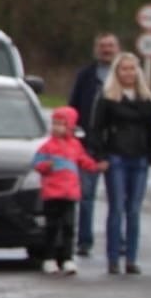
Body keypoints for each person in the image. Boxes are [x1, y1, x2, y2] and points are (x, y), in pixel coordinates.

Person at [89, 51, 151, 275]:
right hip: (116, 157)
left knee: (134, 210)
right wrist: (99, 156)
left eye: (132, 69)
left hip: (139, 159)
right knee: (117, 208)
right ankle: (112, 258)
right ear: (117, 72)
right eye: (124, 69)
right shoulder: (107, 98)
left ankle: (131, 258)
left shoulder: (146, 99)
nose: (128, 73)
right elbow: (95, 129)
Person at [34, 107, 106, 275]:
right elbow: (37, 163)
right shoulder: (47, 146)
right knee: (52, 227)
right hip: (52, 194)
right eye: (55, 124)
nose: (57, 128)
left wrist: (96, 166)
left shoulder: (75, 146)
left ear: (71, 127)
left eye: (61, 124)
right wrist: (45, 166)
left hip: (69, 194)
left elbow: (84, 161)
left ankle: (67, 258)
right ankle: (49, 258)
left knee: (68, 227)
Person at [68, 32, 121, 257]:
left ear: (117, 48)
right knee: (86, 196)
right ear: (96, 49)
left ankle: (118, 242)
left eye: (110, 45)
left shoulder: (124, 74)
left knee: (117, 198)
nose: (106, 50)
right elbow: (74, 106)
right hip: (88, 144)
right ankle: (84, 241)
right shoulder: (85, 75)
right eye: (102, 46)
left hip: (118, 146)